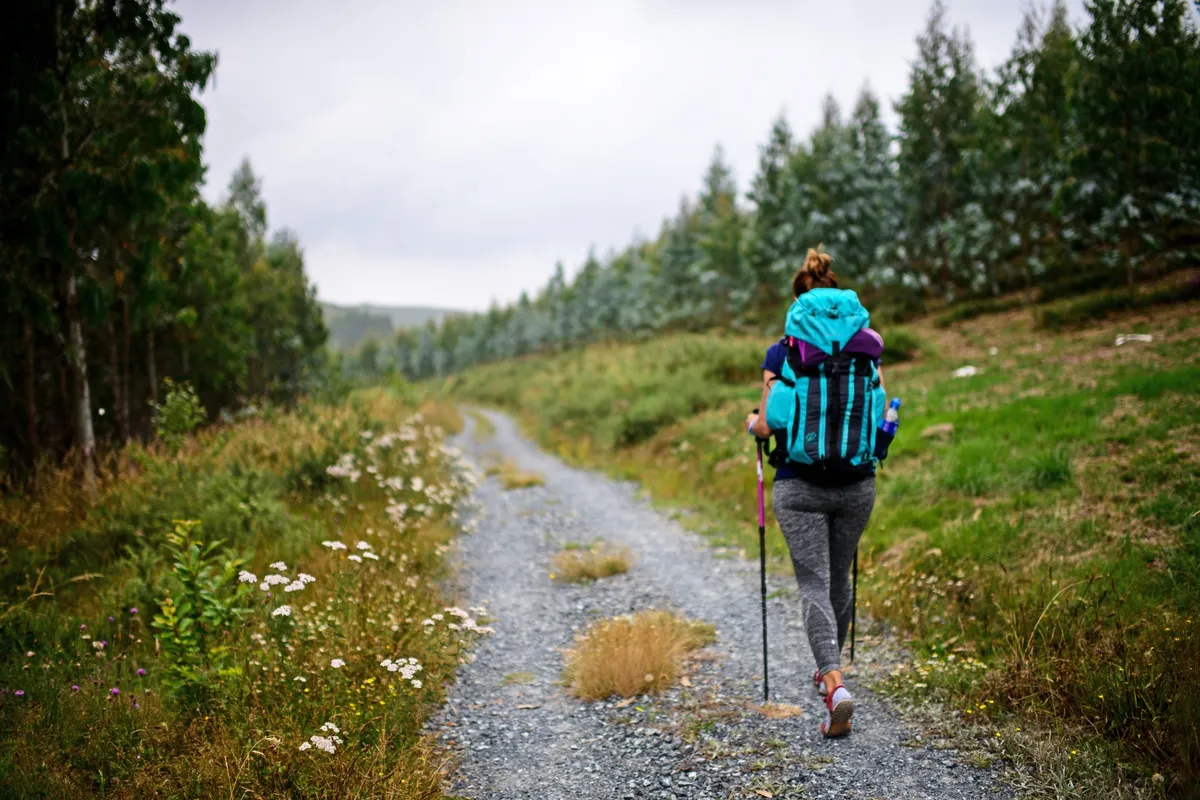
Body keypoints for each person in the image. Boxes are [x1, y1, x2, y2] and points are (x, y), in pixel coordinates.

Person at [745, 247, 885, 739]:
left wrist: (753, 426)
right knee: (838, 582)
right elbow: (877, 413)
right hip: (857, 483)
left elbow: (770, 423)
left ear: (796, 304)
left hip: (799, 485)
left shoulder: (783, 352)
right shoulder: (865, 349)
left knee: (811, 583)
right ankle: (831, 670)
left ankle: (833, 684)